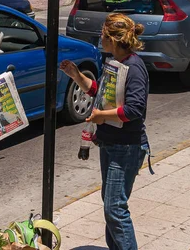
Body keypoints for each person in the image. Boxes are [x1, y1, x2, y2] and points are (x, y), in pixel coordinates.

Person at [60, 13, 151, 250]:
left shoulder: (134, 67)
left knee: (115, 209)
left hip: (126, 147)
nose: (100, 37)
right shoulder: (114, 63)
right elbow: (101, 93)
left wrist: (101, 116)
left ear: (113, 38)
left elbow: (134, 109)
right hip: (110, 143)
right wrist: (77, 76)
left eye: (103, 33)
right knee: (111, 206)